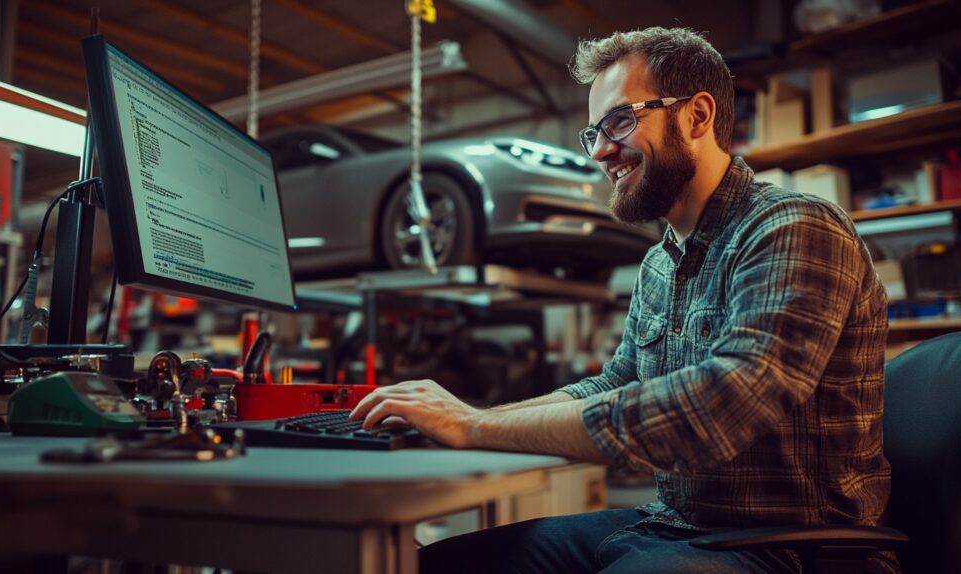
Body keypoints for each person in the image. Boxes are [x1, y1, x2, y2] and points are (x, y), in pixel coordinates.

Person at [350, 27, 898, 574]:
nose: (602, 151)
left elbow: (728, 403)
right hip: (671, 524)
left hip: (793, 547)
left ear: (697, 116)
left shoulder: (793, 226)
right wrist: (468, 418)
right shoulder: (659, 264)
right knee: (434, 565)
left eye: (620, 121)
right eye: (594, 133)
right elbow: (614, 385)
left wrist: (476, 430)